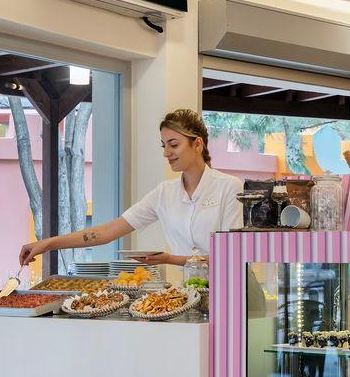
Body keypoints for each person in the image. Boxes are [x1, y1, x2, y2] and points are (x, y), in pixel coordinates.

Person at [18, 109, 243, 268]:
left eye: (174, 145)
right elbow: (106, 232)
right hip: (192, 294)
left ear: (198, 144)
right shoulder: (164, 193)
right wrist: (48, 244)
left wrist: (169, 259)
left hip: (235, 295)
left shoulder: (229, 187)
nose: (166, 153)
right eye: (163, 145)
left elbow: (231, 257)